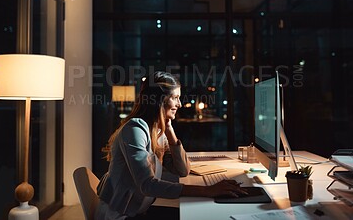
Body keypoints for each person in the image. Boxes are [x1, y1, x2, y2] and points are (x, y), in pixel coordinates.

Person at [95, 71, 247, 220]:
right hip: (119, 215)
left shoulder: (158, 131)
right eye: (175, 98)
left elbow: (182, 170)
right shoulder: (135, 129)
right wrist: (206, 190)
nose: (179, 104)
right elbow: (147, 185)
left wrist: (169, 131)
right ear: (159, 100)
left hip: (139, 210)